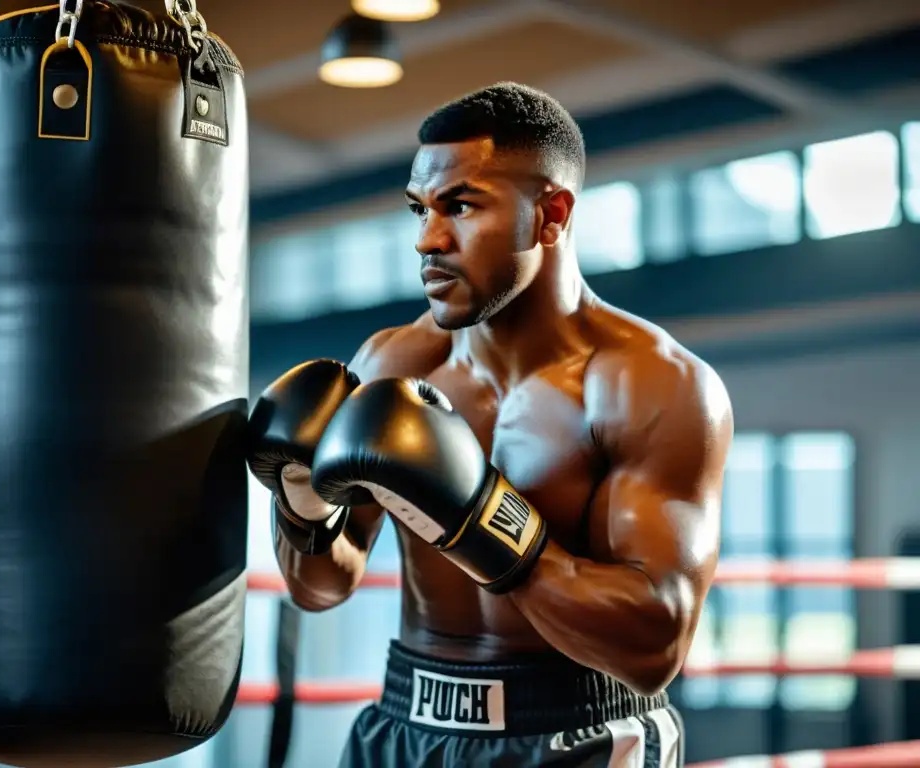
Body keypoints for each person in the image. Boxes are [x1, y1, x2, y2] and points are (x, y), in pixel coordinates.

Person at [247, 82, 733, 767]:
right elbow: (321, 586)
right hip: (406, 724)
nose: (428, 239)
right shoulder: (393, 361)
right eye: (419, 209)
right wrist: (301, 502)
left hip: (577, 734)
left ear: (551, 214)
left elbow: (655, 647)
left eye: (461, 205)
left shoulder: (652, 385)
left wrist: (481, 519)